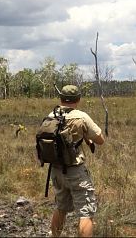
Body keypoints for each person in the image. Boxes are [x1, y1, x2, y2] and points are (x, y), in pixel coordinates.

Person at [48, 85, 105, 237]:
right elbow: (100, 140)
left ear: (60, 99)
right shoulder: (81, 116)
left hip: (56, 169)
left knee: (61, 207)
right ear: (78, 99)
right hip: (75, 170)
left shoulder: (52, 115)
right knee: (85, 212)